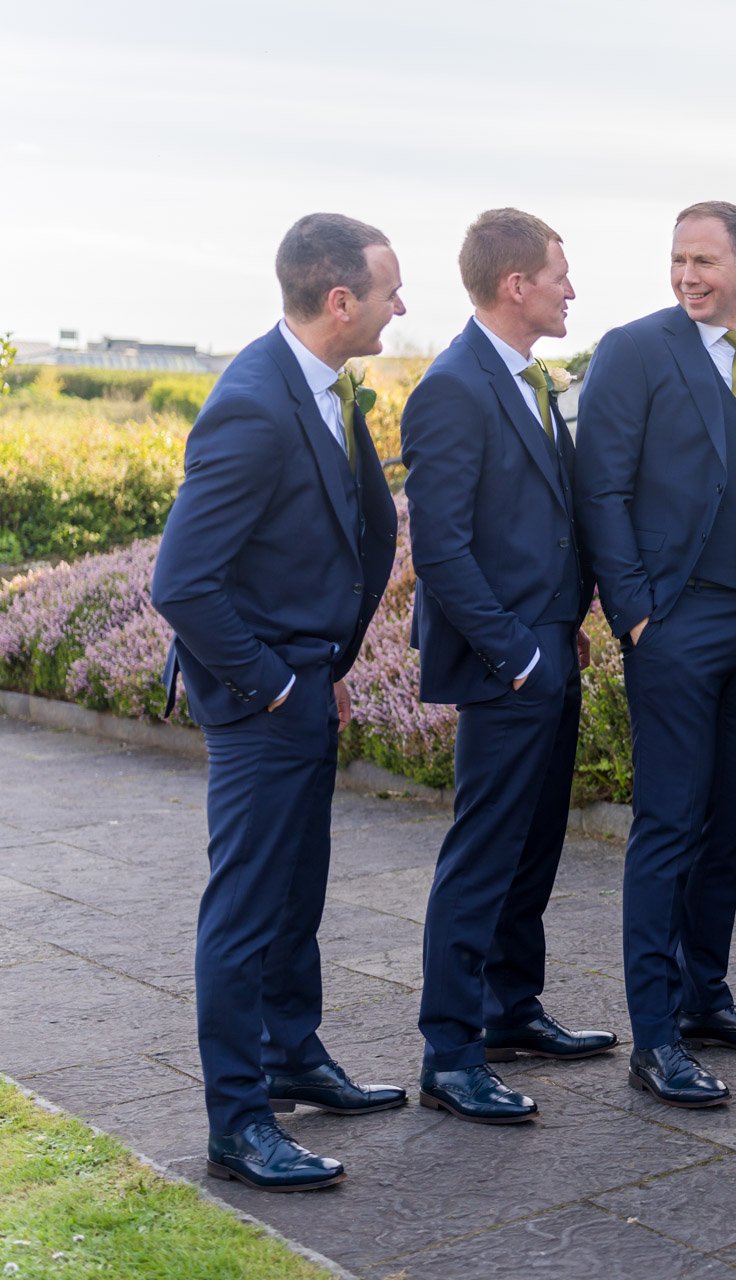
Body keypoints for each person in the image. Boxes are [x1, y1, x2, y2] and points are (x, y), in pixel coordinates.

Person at [151, 212, 403, 1191]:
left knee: (296, 889)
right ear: (341, 299)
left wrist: (328, 667)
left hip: (306, 682)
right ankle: (239, 1122)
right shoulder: (254, 402)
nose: (401, 304)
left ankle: (296, 1055)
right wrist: (279, 682)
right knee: (247, 910)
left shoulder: (326, 388)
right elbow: (182, 580)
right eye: (390, 288)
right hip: (262, 698)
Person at [575, 202, 736, 1110]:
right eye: (677, 260)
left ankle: (707, 998)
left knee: (731, 822)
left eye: (705, 260)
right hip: (674, 625)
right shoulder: (634, 350)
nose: (687, 276)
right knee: (669, 826)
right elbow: (602, 486)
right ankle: (657, 1035)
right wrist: (634, 614)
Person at [404, 209, 615, 1125]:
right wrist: (519, 654)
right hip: (507, 663)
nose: (572, 289)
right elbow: (443, 551)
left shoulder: (528, 379)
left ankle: (510, 1010)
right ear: (514, 284)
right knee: (483, 856)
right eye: (560, 274)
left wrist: (564, 623)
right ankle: (451, 1053)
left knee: (534, 845)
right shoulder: (453, 387)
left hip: (547, 645)